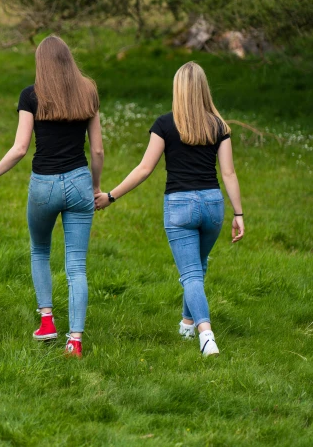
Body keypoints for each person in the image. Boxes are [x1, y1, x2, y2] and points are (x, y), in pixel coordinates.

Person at [95, 61, 244, 357]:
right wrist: (238, 213)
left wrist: (111, 196)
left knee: (190, 274)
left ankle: (206, 335)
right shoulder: (219, 126)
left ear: (178, 89)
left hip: (180, 207)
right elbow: (228, 173)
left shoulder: (164, 124)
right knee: (198, 267)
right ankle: (188, 323)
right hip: (213, 205)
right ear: (204, 89)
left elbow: (144, 168)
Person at [0, 36, 103, 358]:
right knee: (76, 265)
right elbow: (98, 149)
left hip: (43, 185)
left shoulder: (31, 95)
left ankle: (47, 322)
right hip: (79, 181)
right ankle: (74, 341)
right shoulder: (88, 91)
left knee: (39, 250)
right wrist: (95, 186)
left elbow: (20, 148)